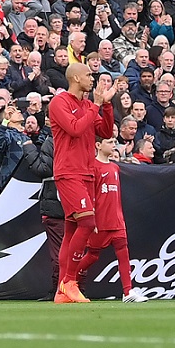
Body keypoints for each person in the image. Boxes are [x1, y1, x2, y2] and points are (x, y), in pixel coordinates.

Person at [48, 61, 117, 304]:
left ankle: (61, 291)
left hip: (87, 172)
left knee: (72, 230)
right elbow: (75, 129)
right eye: (89, 74)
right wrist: (97, 105)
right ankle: (69, 281)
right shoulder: (59, 102)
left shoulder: (88, 104)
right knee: (87, 222)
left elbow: (106, 132)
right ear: (76, 78)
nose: (93, 78)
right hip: (69, 171)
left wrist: (106, 106)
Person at [63, 131, 137, 301]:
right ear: (98, 145)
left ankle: (128, 292)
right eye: (109, 142)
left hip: (116, 219)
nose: (113, 145)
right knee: (93, 255)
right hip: (100, 221)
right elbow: (90, 193)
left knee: (123, 252)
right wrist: (92, 217)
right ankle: (69, 281)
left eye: (113, 142)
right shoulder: (93, 167)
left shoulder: (115, 167)